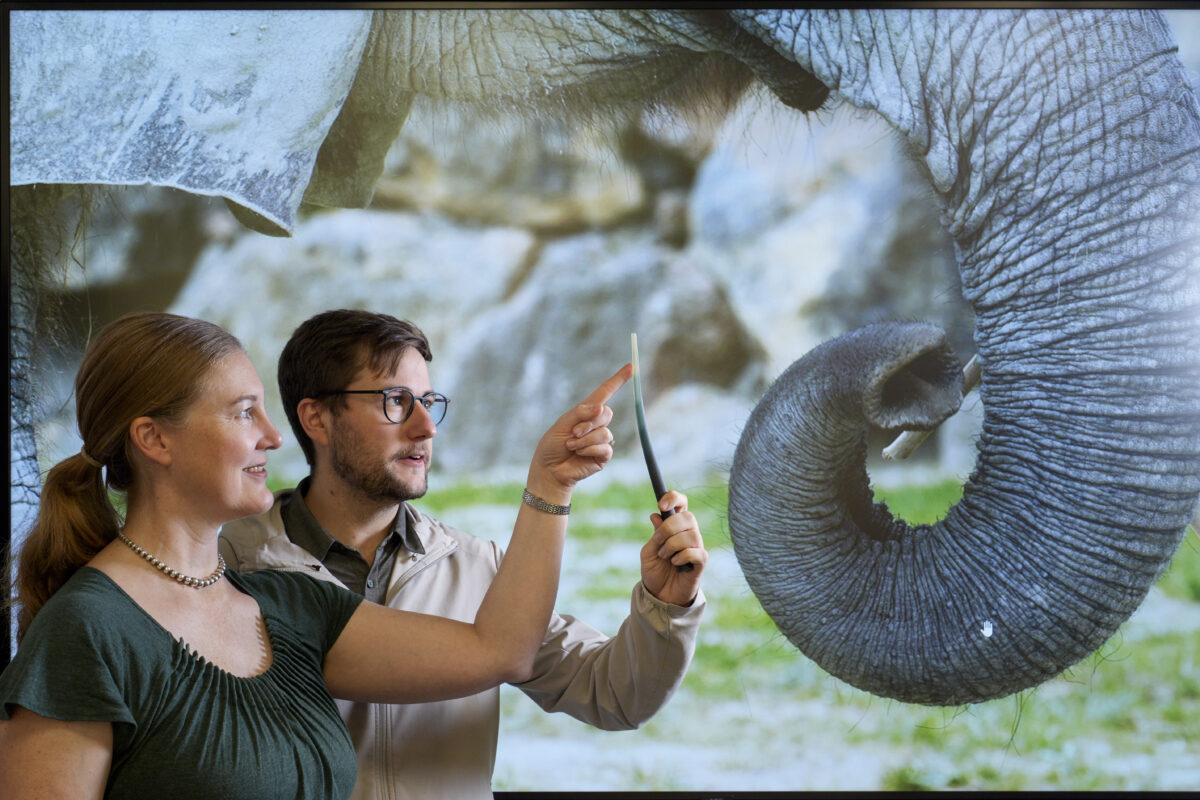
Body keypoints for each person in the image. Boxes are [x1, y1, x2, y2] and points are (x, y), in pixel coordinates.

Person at [0, 311, 633, 799]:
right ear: (154, 439)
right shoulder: (87, 631)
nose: (274, 437)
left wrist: (550, 486)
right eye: (244, 412)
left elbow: (501, 651)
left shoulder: (288, 606)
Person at [218, 309, 708, 799]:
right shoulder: (228, 567)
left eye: (429, 402)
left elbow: (616, 695)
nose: (426, 427)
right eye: (396, 401)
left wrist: (664, 606)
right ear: (316, 418)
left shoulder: (479, 568)